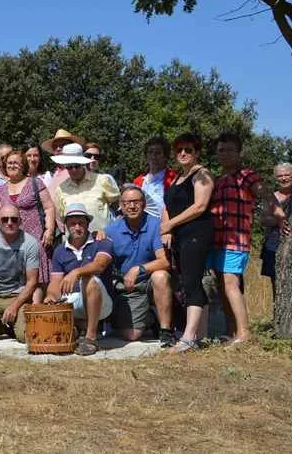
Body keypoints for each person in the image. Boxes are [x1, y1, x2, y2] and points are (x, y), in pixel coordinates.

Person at [210, 132, 279, 344]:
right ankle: (231, 330)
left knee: (231, 283)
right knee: (222, 285)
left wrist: (276, 213)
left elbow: (265, 193)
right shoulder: (218, 180)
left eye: (230, 150)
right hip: (216, 240)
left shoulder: (247, 176)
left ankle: (244, 333)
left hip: (236, 240)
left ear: (239, 152)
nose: (225, 154)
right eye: (221, 150)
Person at [161, 133, 214, 353]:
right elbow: (167, 205)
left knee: (192, 283)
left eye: (189, 149)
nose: (183, 153)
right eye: (179, 150)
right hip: (180, 237)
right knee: (185, 283)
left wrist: (171, 223)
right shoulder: (177, 178)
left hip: (196, 234)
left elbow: (200, 206)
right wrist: (167, 229)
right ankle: (197, 334)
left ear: (197, 152)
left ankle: (189, 337)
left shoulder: (203, 174)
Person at [105, 185, 175, 346]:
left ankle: (166, 331)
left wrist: (139, 269)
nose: (131, 206)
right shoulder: (111, 231)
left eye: (136, 201)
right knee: (131, 335)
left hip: (150, 280)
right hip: (129, 286)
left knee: (161, 276)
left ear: (144, 203)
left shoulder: (155, 225)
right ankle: (150, 317)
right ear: (121, 206)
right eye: (127, 202)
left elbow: (164, 261)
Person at [46, 204, 115, 356]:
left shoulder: (102, 242)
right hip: (73, 301)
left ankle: (90, 338)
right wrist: (50, 296)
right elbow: (55, 282)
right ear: (66, 226)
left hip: (101, 300)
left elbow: (100, 265)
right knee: (49, 303)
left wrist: (76, 272)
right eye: (72, 223)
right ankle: (79, 327)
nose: (77, 227)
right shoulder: (60, 250)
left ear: (88, 224)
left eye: (81, 223)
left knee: (89, 279)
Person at [0, 204, 40, 342]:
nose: (9, 223)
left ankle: (7, 324)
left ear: (20, 221)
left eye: (14, 219)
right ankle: (3, 325)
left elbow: (32, 281)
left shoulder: (31, 243)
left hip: (17, 296)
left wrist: (14, 307)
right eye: (5, 219)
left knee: (25, 336)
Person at [0, 150, 55, 288]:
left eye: (16, 162)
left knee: (37, 282)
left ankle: (35, 309)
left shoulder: (35, 183)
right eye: (9, 163)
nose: (12, 165)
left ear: (23, 165)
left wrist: (49, 230)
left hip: (35, 239)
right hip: (10, 243)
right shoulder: (0, 190)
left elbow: (49, 207)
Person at [52, 143, 120, 233]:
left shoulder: (102, 180)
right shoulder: (61, 189)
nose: (73, 170)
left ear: (83, 164)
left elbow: (118, 203)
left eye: (77, 166)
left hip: (102, 240)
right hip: (75, 243)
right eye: (69, 167)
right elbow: (62, 217)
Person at [260, 163, 292, 295]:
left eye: (287, 175)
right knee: (276, 285)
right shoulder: (272, 197)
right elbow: (263, 220)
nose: (284, 178)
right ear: (275, 178)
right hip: (274, 247)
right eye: (280, 176)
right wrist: (279, 220)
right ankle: (278, 315)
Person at [132, 136, 178, 218]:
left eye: (158, 153)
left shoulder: (174, 178)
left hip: (166, 225)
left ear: (165, 156)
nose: (153, 156)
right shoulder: (138, 181)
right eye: (150, 152)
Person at [41, 129, 85, 198]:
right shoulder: (55, 173)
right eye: (55, 146)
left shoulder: (77, 171)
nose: (58, 149)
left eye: (63, 145)